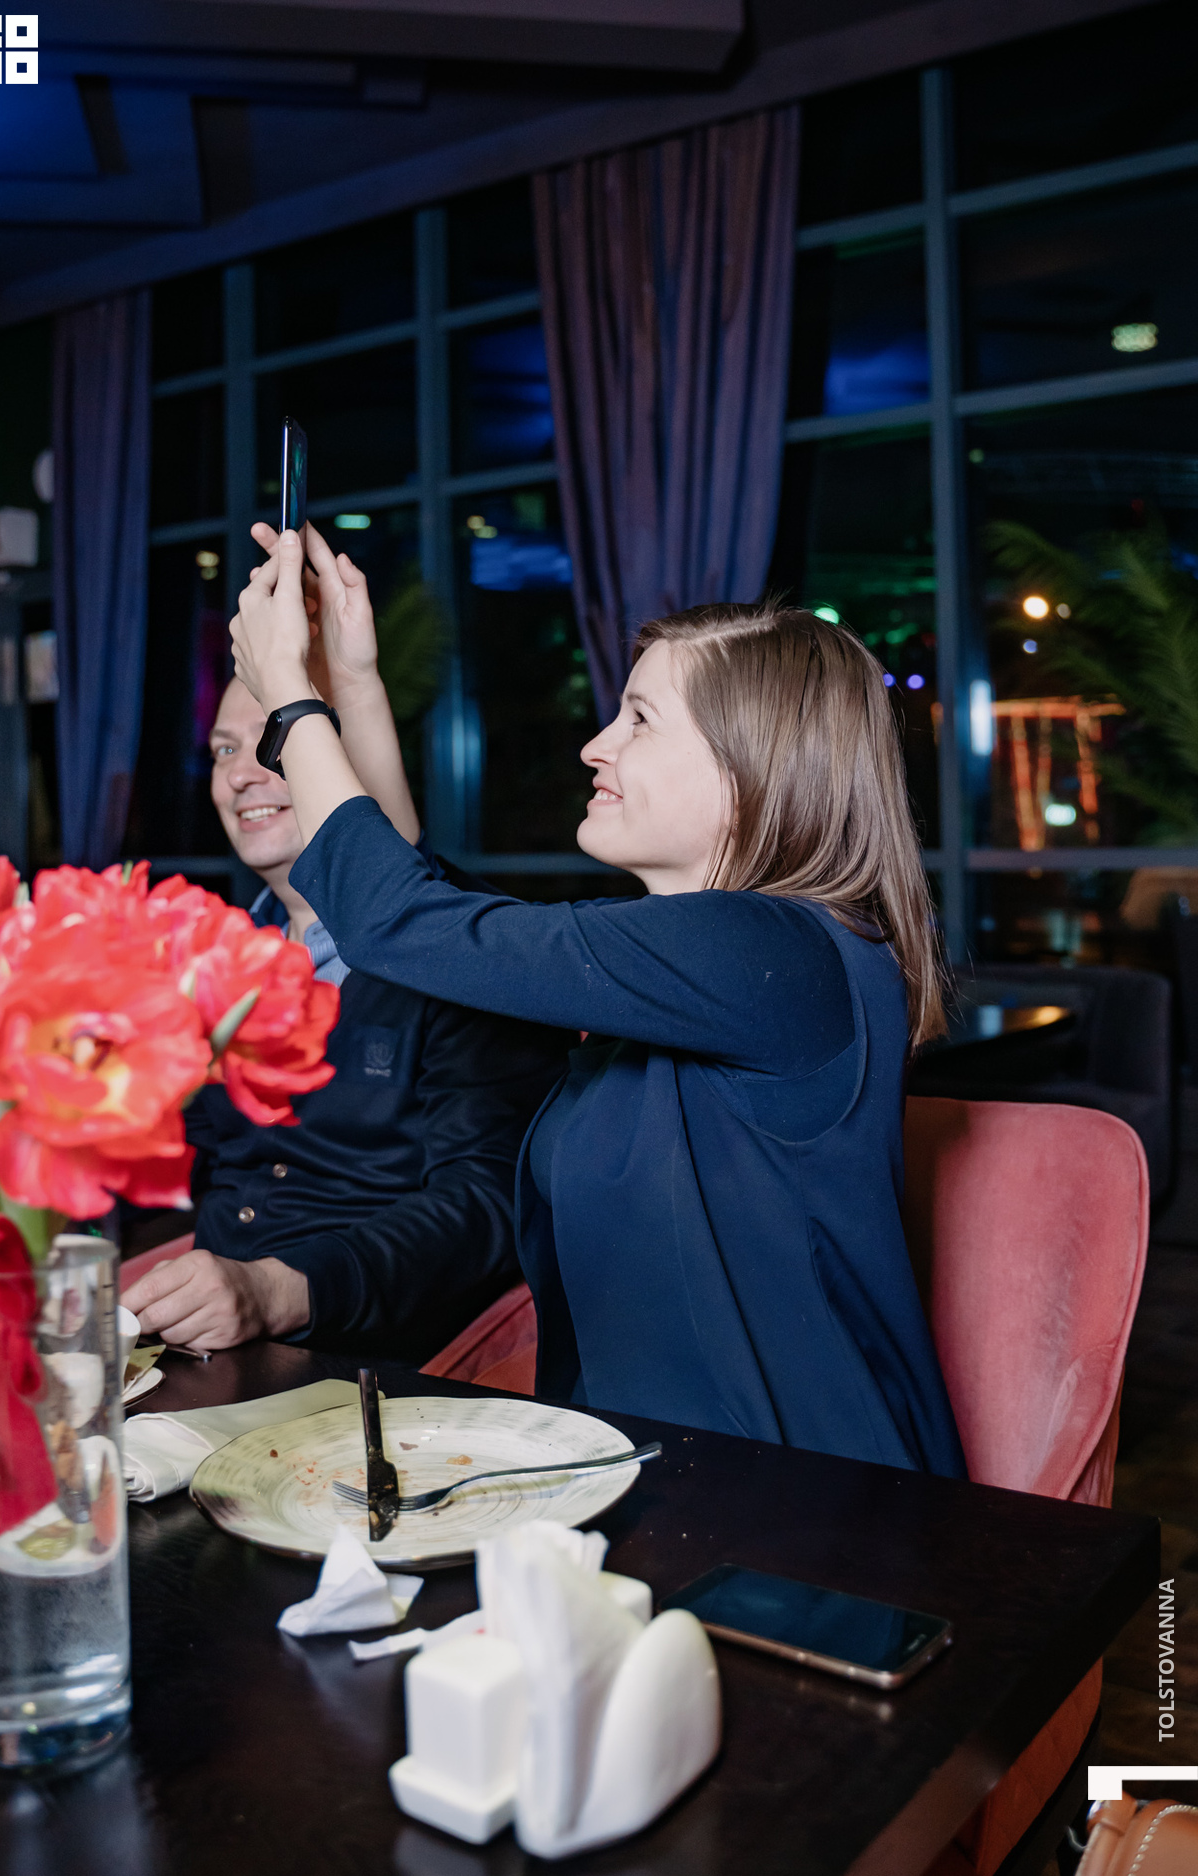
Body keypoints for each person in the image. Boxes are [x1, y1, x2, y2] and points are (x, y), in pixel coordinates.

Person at [226, 529, 966, 1477]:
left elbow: (402, 922)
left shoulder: (774, 953)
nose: (595, 745)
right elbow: (424, 913)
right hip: (656, 1476)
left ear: (749, 769)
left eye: (639, 721)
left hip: (807, 1501)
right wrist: (358, 684)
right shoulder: (686, 972)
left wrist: (293, 700)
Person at [121, 526, 569, 1360]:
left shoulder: (461, 947)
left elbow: (487, 1206)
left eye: (274, 740)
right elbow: (169, 1155)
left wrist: (280, 1291)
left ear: (342, 753)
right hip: (201, 1349)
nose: (242, 773)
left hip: (372, 1363)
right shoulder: (216, 953)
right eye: (223, 750)